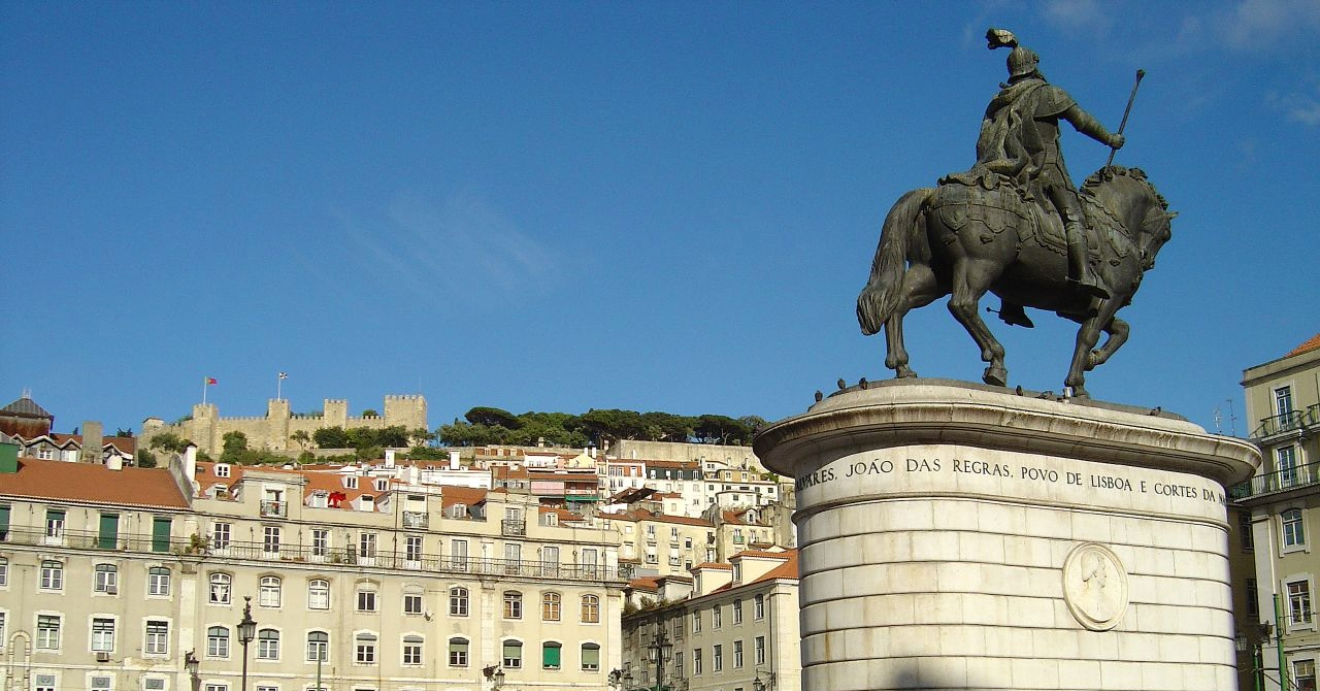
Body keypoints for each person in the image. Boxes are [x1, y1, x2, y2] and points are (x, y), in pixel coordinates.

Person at [976, 28, 1124, 300]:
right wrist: (1110, 139)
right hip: (1046, 171)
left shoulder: (1001, 101)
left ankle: (1011, 302)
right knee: (1074, 215)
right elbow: (1082, 122)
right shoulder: (1049, 94)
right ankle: (1083, 273)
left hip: (1009, 170)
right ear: (1033, 67)